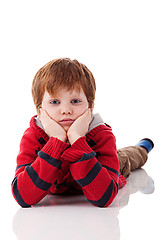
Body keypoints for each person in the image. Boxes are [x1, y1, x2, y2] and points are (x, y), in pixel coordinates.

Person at [11, 58, 154, 208]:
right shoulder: (33, 136)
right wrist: (56, 141)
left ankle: (142, 148)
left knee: (128, 158)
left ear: (90, 107)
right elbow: (23, 196)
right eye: (54, 102)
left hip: (104, 165)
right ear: (40, 111)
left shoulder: (101, 135)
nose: (66, 110)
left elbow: (104, 198)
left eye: (75, 101)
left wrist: (77, 139)